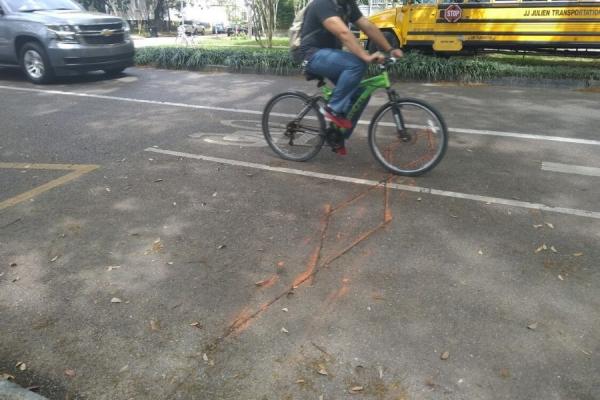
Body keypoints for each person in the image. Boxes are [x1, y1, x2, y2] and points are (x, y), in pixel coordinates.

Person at [292, 0, 404, 152]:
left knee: (360, 93)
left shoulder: (347, 5)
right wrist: (365, 56)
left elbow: (368, 26)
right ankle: (333, 109)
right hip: (311, 55)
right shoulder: (323, 3)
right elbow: (343, 33)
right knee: (356, 64)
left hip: (330, 56)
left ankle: (337, 137)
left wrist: (390, 49)